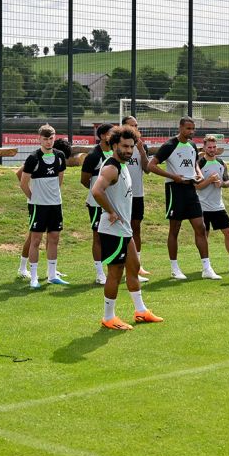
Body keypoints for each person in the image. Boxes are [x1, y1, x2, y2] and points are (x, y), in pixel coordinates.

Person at [91, 126, 163, 330]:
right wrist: (112, 212)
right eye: (124, 146)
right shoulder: (111, 167)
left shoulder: (123, 166)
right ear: (114, 145)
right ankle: (108, 317)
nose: (129, 150)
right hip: (113, 230)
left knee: (134, 267)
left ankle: (140, 311)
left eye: (131, 146)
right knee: (115, 274)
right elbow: (97, 191)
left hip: (124, 230)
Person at [150, 117, 219, 280]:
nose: (191, 131)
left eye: (193, 129)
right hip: (175, 189)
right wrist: (173, 176)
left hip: (190, 189)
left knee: (200, 227)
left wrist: (199, 175)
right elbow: (151, 165)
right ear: (180, 128)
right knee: (175, 229)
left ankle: (207, 268)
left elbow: (194, 164)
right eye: (188, 128)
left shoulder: (193, 145)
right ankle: (174, 268)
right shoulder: (169, 145)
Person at [19, 125, 69, 288]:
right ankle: (33, 277)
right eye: (45, 139)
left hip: (55, 204)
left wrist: (53, 195)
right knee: (36, 240)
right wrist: (34, 198)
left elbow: (60, 179)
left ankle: (52, 275)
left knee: (54, 238)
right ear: (39, 139)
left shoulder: (60, 156)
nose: (48, 142)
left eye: (51, 138)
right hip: (38, 206)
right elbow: (23, 183)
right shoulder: (33, 158)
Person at [195, 134, 229, 272]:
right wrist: (209, 180)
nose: (212, 149)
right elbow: (197, 186)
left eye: (214, 147)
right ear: (204, 147)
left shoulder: (221, 163)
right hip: (202, 206)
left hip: (218, 206)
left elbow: (228, 182)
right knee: (204, 236)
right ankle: (206, 266)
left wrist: (221, 183)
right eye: (209, 147)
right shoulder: (200, 163)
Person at [81, 123, 116, 284]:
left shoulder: (117, 153)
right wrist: (98, 192)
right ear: (102, 136)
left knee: (115, 236)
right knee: (98, 236)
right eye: (111, 133)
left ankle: (115, 269)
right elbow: (84, 180)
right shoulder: (93, 155)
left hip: (115, 202)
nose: (114, 135)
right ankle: (99, 273)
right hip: (96, 204)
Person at [121, 115, 153, 279]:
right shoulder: (120, 146)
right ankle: (126, 268)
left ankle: (137, 266)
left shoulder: (141, 146)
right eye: (132, 126)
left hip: (137, 194)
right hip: (122, 196)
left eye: (137, 125)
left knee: (136, 229)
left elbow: (147, 169)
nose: (136, 128)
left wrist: (141, 151)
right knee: (125, 232)